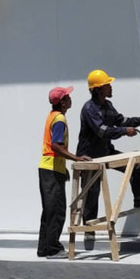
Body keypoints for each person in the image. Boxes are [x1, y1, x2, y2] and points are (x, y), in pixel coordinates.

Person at [77, 69, 140, 239]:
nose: (111, 88)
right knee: (92, 194)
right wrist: (124, 131)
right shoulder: (89, 109)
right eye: (108, 85)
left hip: (106, 152)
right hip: (90, 157)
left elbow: (121, 121)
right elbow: (102, 130)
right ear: (98, 89)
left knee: (136, 166)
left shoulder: (107, 106)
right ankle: (88, 231)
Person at [37, 86, 91, 259]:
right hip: (51, 169)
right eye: (68, 97)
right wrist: (76, 158)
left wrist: (63, 168)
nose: (70, 99)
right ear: (62, 102)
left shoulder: (53, 116)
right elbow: (55, 146)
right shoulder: (59, 119)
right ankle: (53, 249)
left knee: (49, 210)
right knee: (57, 210)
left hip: (50, 168)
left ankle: (44, 248)